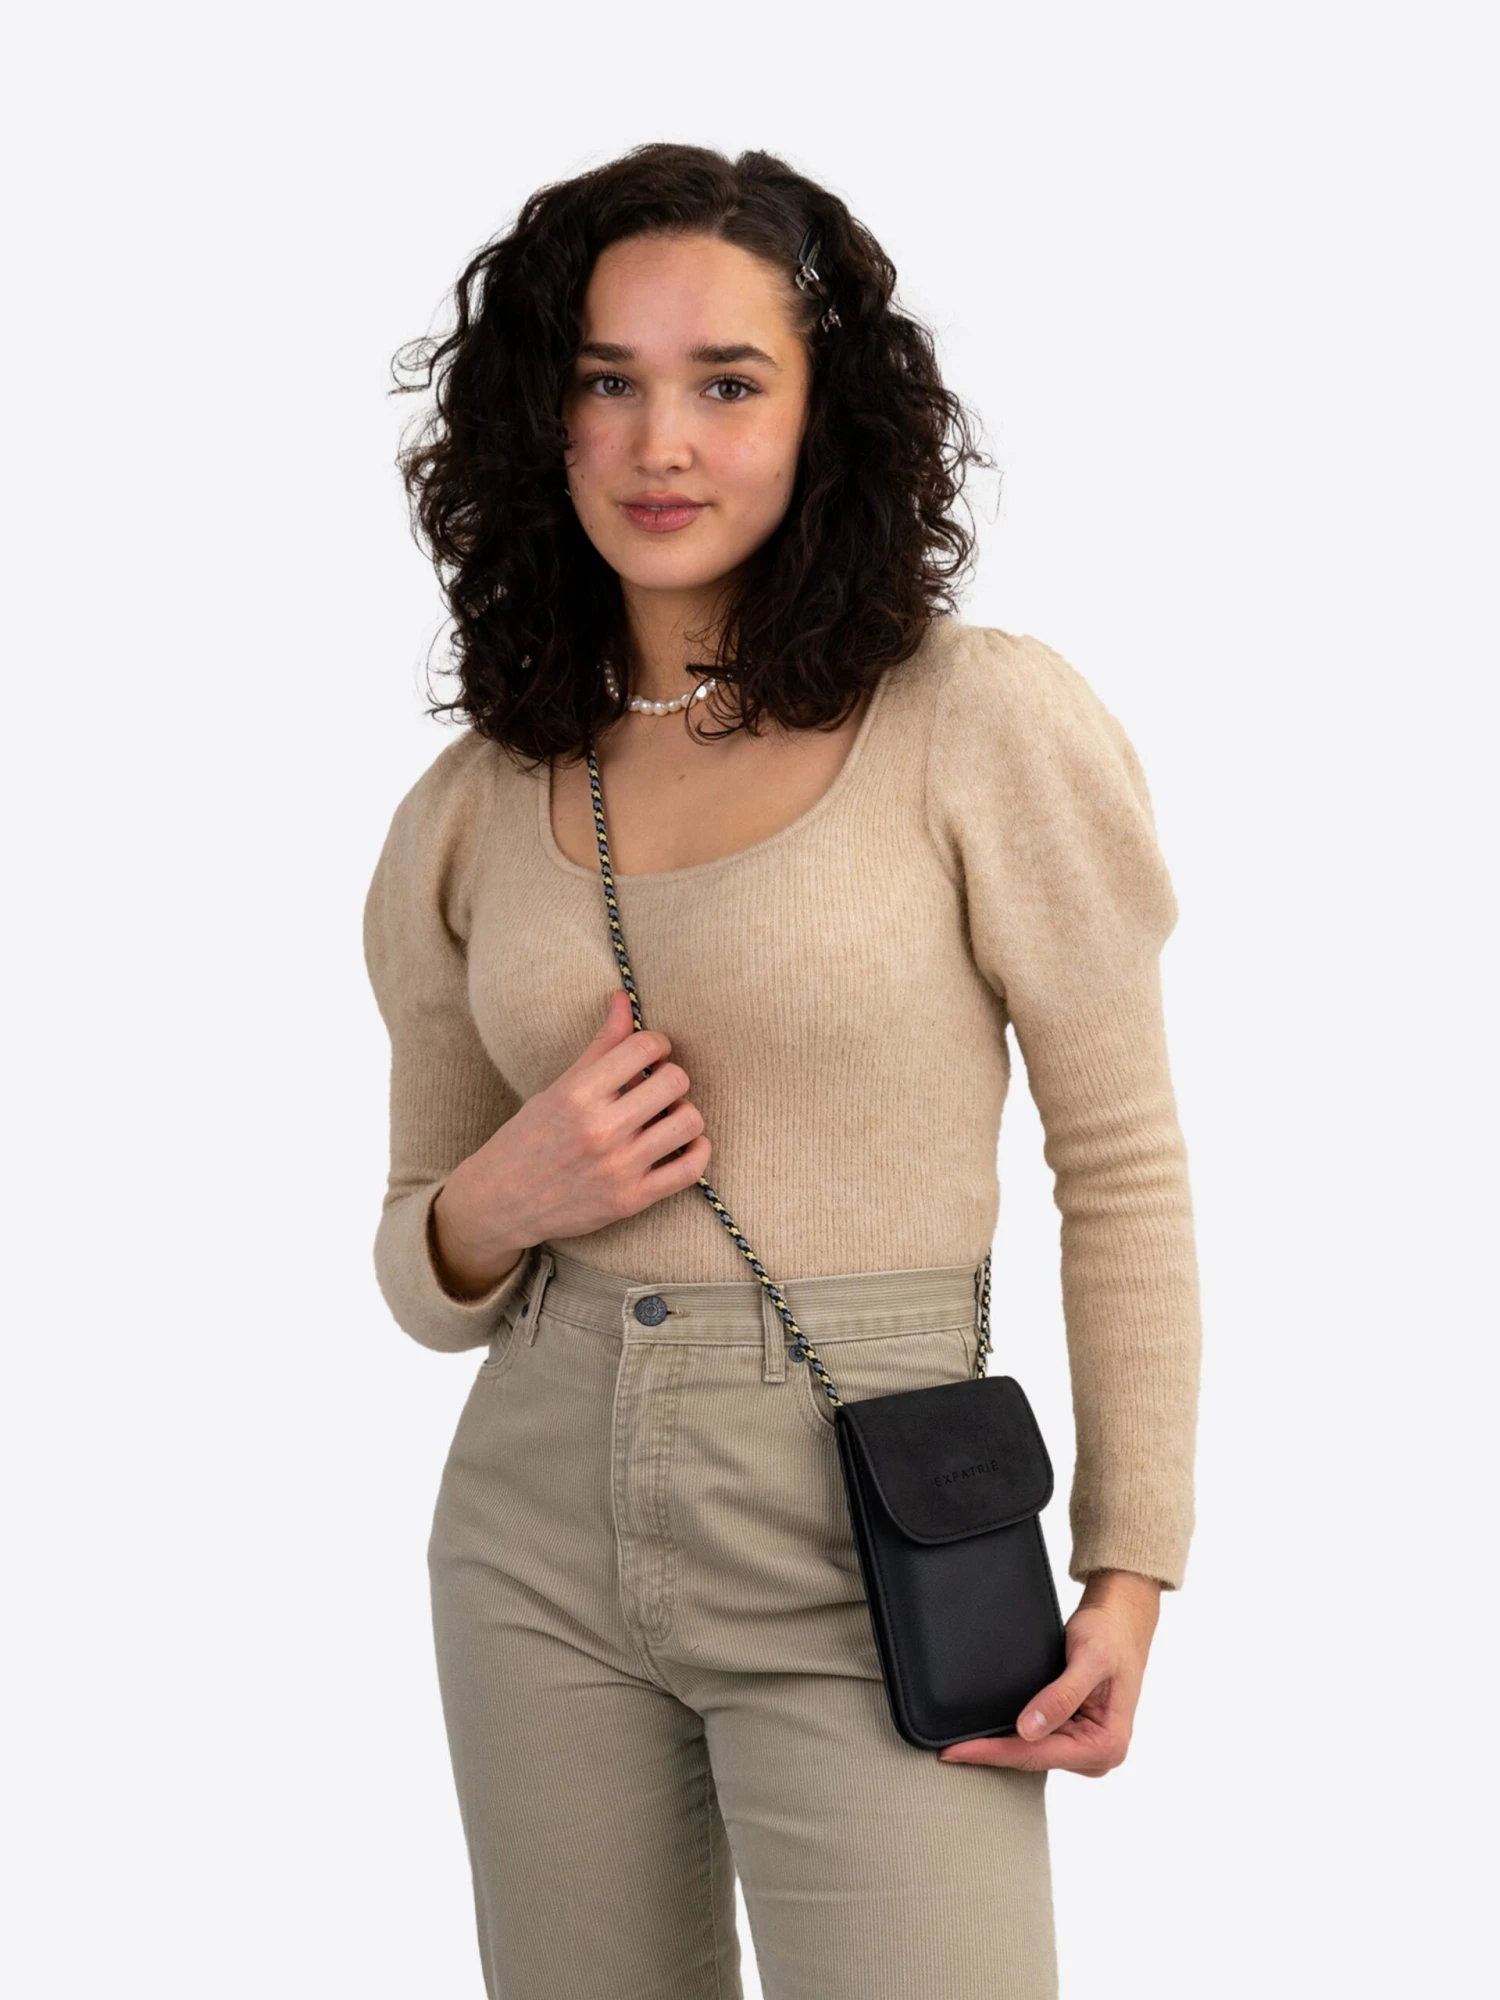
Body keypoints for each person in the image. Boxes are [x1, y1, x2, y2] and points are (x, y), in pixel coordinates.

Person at [363, 141, 1202, 2000]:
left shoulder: (978, 722)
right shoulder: (473, 805)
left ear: (827, 417)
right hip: (535, 1528)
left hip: (876, 1513)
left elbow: (1122, 1163)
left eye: (728, 384)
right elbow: (422, 1259)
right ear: (541, 421)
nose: (662, 442)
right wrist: (501, 1202)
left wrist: (1131, 1562)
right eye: (608, 381)